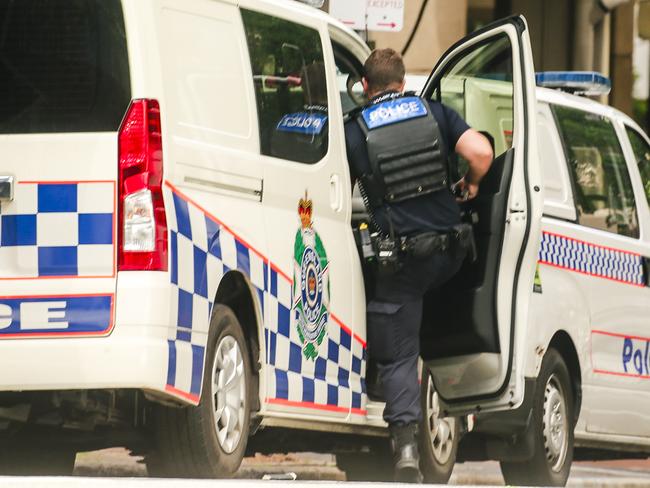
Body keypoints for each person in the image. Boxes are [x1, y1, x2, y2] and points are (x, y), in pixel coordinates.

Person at [345, 48, 493, 482]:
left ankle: (406, 448)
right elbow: (482, 153)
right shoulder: (434, 113)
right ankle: (460, 394)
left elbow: (335, 185)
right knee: (430, 319)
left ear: (366, 88)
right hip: (448, 254)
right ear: (403, 84)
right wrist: (471, 182)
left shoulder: (356, 131)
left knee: (396, 350)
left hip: (402, 264)